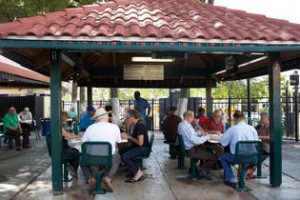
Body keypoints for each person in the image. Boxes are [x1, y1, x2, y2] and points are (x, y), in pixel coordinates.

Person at [81, 108, 121, 192]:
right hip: (108, 158)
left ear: (97, 119)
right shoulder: (114, 127)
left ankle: (90, 178)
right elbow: (119, 141)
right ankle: (108, 177)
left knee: (81, 159)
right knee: (118, 158)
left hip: (91, 158)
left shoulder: (90, 128)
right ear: (107, 117)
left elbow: (83, 143)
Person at [219, 111, 259, 188]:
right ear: (244, 119)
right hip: (252, 158)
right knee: (245, 160)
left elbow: (223, 143)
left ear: (235, 119)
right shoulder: (252, 129)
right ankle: (242, 178)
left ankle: (231, 178)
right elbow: (256, 143)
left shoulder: (233, 129)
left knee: (223, 157)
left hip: (237, 157)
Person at [178, 110, 217, 180]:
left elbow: (191, 136)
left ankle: (197, 169)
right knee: (213, 157)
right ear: (188, 117)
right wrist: (208, 137)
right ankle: (202, 171)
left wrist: (199, 133)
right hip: (192, 150)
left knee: (206, 149)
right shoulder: (187, 126)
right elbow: (195, 141)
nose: (193, 119)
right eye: (192, 117)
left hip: (188, 148)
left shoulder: (182, 124)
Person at [120, 109, 150, 183]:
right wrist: (128, 129)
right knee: (121, 151)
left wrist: (129, 137)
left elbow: (140, 143)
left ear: (132, 117)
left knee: (125, 157)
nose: (125, 120)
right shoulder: (136, 123)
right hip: (139, 147)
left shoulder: (140, 125)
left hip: (143, 148)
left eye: (126, 118)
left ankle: (138, 173)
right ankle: (133, 170)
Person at [61, 111, 81, 179]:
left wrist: (75, 136)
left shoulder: (58, 126)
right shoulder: (60, 127)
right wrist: (77, 136)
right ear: (63, 118)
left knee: (75, 150)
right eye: (66, 118)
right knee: (77, 154)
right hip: (61, 150)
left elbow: (67, 135)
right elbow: (68, 136)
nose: (67, 119)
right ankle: (73, 169)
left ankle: (71, 167)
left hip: (61, 148)